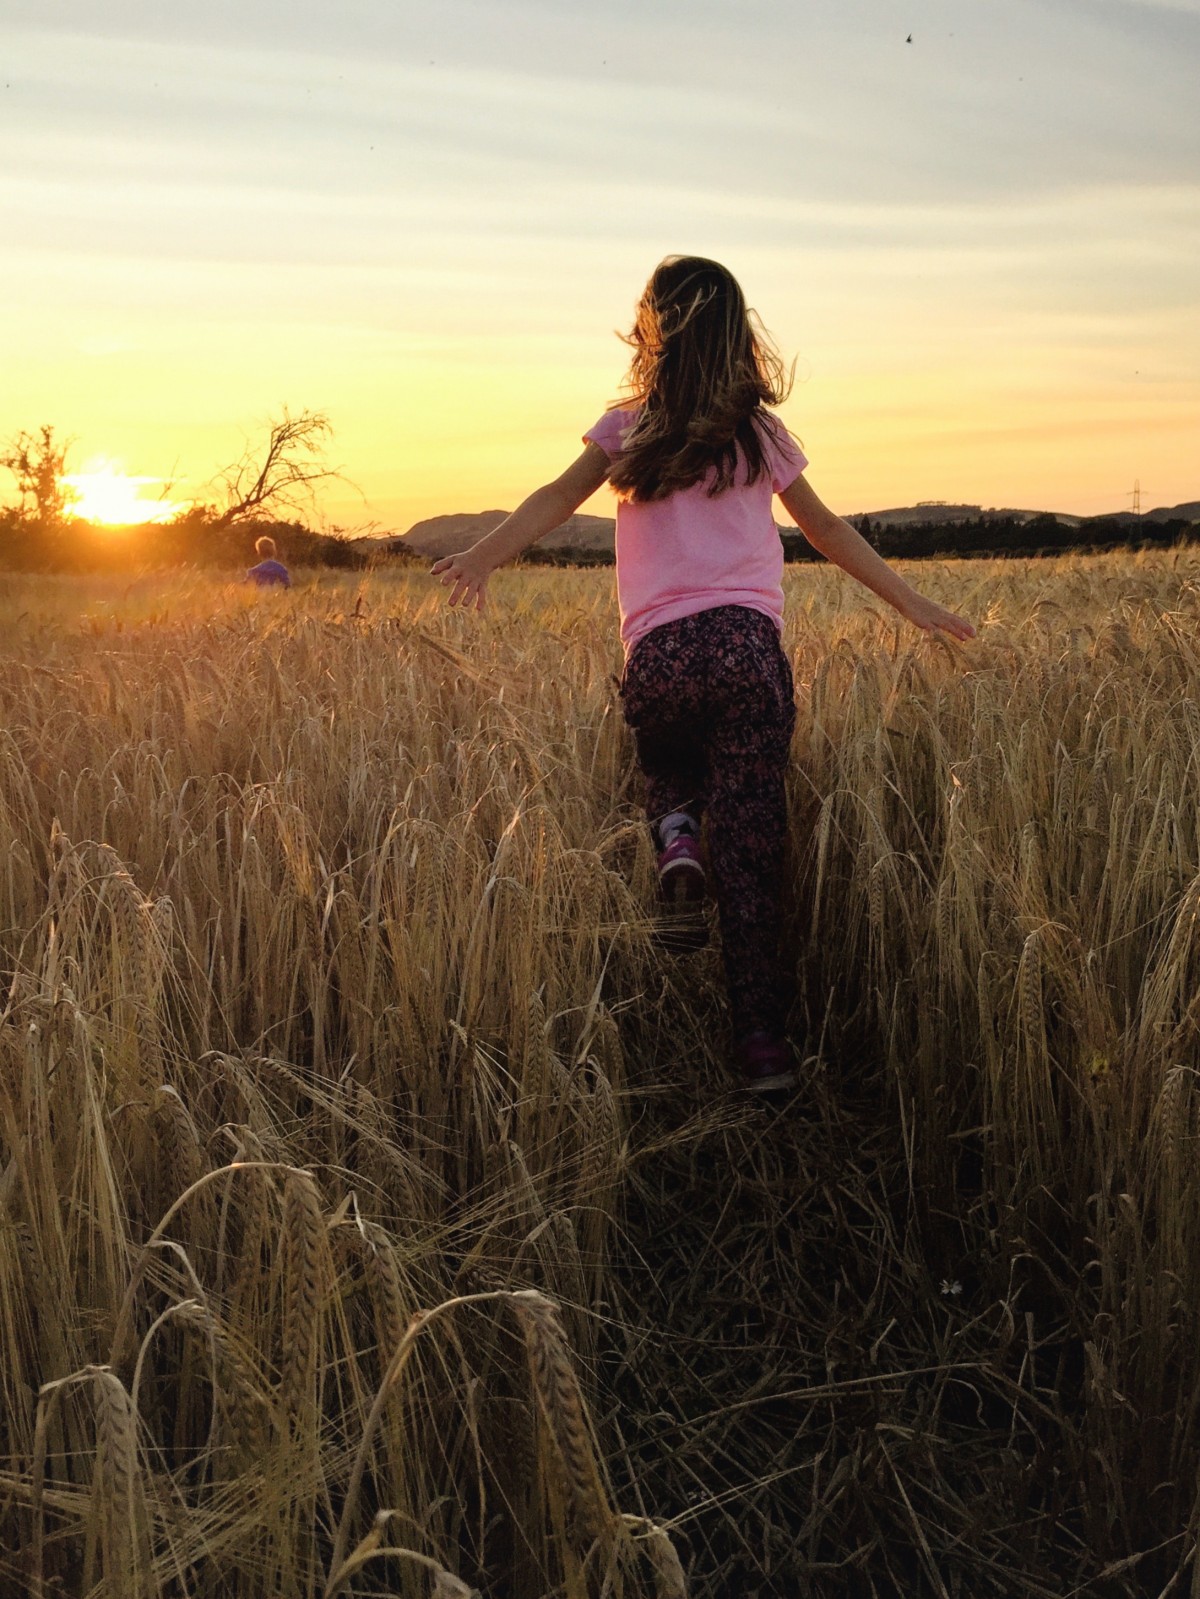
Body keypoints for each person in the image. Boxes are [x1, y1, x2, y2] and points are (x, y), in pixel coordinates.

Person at [432, 255, 974, 1094]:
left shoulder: (629, 427)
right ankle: (761, 1043)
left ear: (652, 330)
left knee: (665, 763)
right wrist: (915, 605)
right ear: (738, 335)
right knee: (754, 856)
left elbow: (554, 497)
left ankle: (677, 834)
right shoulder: (760, 436)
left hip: (660, 654)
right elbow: (827, 530)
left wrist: (483, 555)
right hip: (749, 654)